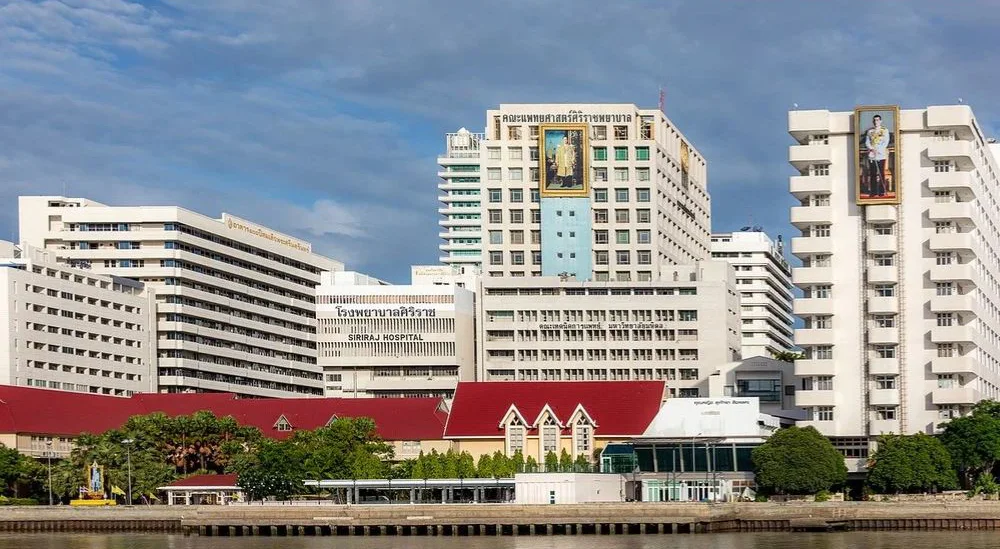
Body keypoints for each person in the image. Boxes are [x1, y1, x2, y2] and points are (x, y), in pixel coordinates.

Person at [865, 114, 891, 197]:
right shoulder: (870, 131)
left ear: (880, 121)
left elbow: (886, 142)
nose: (876, 122)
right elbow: (867, 142)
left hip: (881, 154)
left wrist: (878, 150)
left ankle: (881, 191)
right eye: (874, 120)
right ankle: (873, 192)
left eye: (877, 120)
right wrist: (871, 148)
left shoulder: (885, 130)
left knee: (881, 173)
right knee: (872, 173)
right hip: (872, 154)